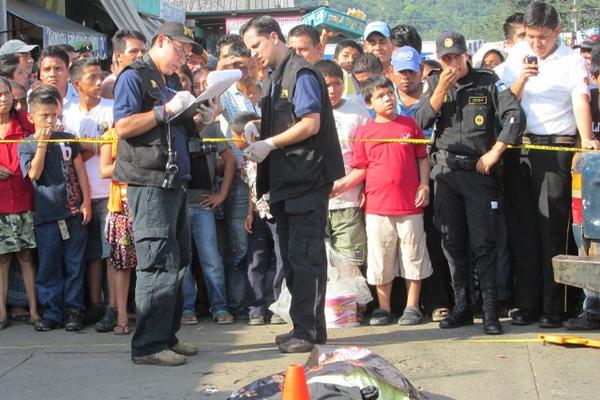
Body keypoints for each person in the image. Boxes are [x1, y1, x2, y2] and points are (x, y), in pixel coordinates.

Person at [241, 16, 344, 353]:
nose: (254, 53)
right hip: (287, 180)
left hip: (306, 178)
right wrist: (260, 128)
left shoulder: (300, 72)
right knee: (292, 257)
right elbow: (287, 120)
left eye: (256, 45)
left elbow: (310, 123)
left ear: (274, 36)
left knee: (304, 257)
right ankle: (307, 327)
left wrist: (271, 144)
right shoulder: (275, 77)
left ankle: (307, 331)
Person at [112, 21, 213, 365]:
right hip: (150, 181)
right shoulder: (134, 76)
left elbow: (174, 129)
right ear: (161, 41)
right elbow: (123, 125)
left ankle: (165, 336)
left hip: (174, 180)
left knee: (177, 261)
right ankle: (148, 346)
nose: (183, 58)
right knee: (156, 262)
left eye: (188, 52)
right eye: (180, 49)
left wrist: (201, 119)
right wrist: (163, 110)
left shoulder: (168, 81)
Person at [496, 2, 600, 328]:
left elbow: (580, 100)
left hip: (555, 147)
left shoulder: (571, 62)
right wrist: (522, 79)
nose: (537, 43)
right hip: (520, 146)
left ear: (556, 32)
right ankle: (526, 304)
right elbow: (503, 100)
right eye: (530, 36)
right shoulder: (516, 59)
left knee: (552, 230)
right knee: (523, 231)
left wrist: (586, 138)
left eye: (543, 36)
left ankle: (555, 308)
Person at [415, 31, 525, 335]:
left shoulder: (488, 80)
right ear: (440, 60)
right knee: (452, 244)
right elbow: (420, 120)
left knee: (483, 244)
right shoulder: (436, 83)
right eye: (446, 58)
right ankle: (462, 306)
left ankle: (490, 311)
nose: (453, 63)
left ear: (467, 56)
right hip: (446, 174)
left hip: (479, 172)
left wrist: (496, 152)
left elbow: (514, 115)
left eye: (457, 57)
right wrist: (440, 91)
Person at [331, 76, 432, 326]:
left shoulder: (410, 125)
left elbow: (422, 158)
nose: (388, 98)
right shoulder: (364, 133)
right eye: (380, 96)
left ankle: (412, 306)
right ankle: (384, 308)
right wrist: (340, 186)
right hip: (377, 208)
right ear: (369, 103)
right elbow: (361, 168)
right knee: (380, 257)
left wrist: (424, 185)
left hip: (411, 205)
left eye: (390, 93)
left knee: (413, 254)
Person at [18, 84, 92, 332]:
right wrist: (42, 143)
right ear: (31, 117)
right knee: (49, 266)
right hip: (47, 217)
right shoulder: (26, 144)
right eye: (44, 116)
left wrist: (86, 202)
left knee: (75, 264)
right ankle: (52, 312)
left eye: (54, 115)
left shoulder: (68, 139)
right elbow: (34, 174)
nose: (50, 120)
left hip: (73, 212)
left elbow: (80, 170)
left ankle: (74, 310)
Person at [62, 58, 113, 327]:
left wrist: (87, 146)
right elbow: (70, 153)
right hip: (79, 196)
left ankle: (113, 306)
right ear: (75, 84)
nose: (98, 82)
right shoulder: (66, 113)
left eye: (100, 76)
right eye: (92, 77)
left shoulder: (112, 110)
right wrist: (86, 146)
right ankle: (93, 304)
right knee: (89, 253)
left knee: (110, 253)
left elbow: (105, 147)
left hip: (108, 191)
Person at [228, 112, 285, 325]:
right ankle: (256, 309)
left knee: (281, 260)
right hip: (259, 215)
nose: (233, 141)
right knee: (256, 260)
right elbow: (251, 186)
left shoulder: (270, 153)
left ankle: (279, 307)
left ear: (246, 134)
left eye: (234, 136)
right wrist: (249, 213)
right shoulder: (246, 158)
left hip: (277, 212)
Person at [218, 40, 262, 320]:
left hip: (269, 179)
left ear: (256, 65)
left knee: (266, 249)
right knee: (239, 248)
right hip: (238, 181)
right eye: (234, 67)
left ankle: (262, 304)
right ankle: (237, 305)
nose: (241, 72)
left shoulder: (270, 91)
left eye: (245, 66)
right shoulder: (223, 95)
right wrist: (222, 71)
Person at [0, 78, 40, 330]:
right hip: (1, 203)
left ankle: (35, 310)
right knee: (3, 260)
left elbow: (40, 126)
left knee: (26, 257)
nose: (2, 98)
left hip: (25, 198)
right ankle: (2, 312)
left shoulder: (23, 122)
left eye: (5, 93)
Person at [565, 43, 600, 331]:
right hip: (591, 201)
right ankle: (592, 308)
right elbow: (578, 149)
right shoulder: (588, 106)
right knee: (588, 248)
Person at [101, 29, 147, 99]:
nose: (140, 55)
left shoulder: (145, 78)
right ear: (118, 56)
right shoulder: (110, 85)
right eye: (133, 51)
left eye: (143, 51)